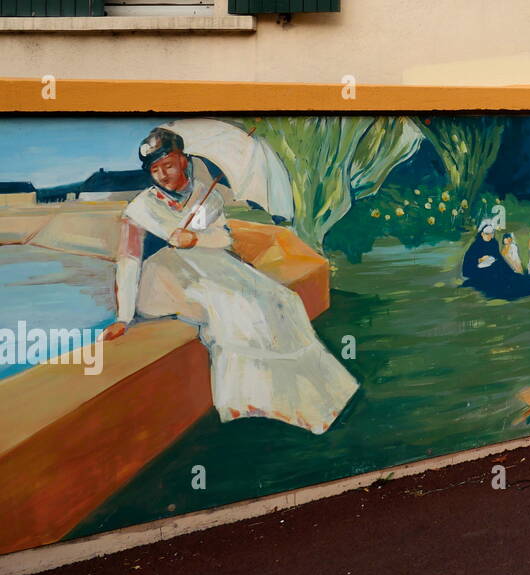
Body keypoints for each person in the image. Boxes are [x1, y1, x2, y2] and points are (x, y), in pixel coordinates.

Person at [104, 128, 358, 434]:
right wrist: (123, 316)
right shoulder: (141, 207)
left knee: (279, 299)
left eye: (169, 165)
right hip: (165, 279)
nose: (163, 175)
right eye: (155, 170)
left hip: (206, 263)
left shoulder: (204, 194)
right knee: (231, 306)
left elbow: (223, 237)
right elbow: (129, 260)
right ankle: (245, 404)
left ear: (184, 160)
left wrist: (195, 239)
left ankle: (302, 400)